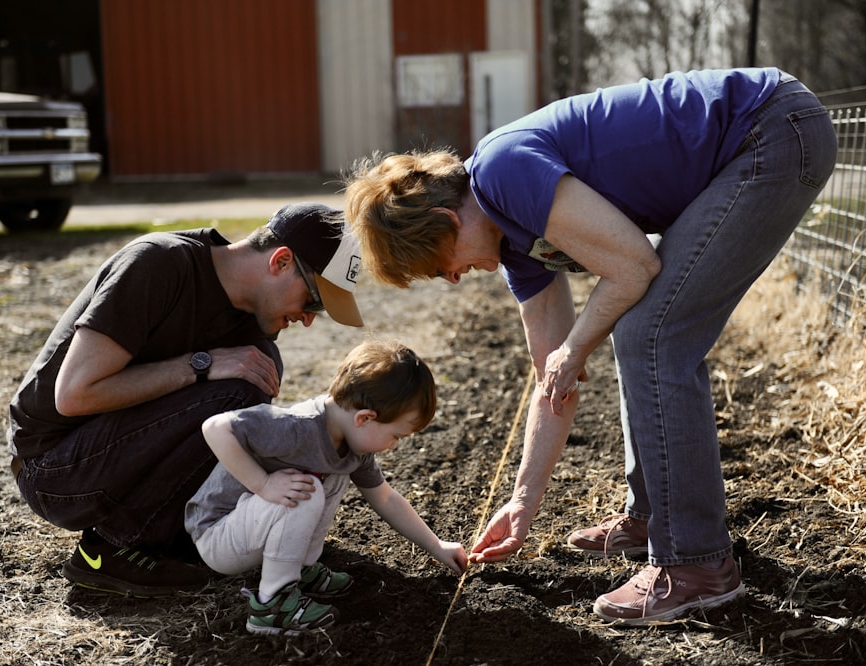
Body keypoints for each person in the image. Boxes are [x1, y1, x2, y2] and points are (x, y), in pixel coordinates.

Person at [343, 68, 837, 625]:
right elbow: (552, 381)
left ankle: (697, 563)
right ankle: (653, 517)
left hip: (770, 130)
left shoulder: (503, 172)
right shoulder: (517, 247)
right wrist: (523, 502)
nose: (454, 279)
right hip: (762, 133)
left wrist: (575, 347)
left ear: (444, 219)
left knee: (651, 334)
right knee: (640, 329)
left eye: (440, 266)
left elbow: (633, 265)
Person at [7, 202, 365, 598]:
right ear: (280, 262)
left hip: (109, 456)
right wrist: (201, 363)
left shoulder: (251, 329)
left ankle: (178, 535)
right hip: (55, 470)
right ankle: (110, 547)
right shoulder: (158, 264)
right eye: (313, 301)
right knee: (238, 388)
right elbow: (73, 394)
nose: (309, 318)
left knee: (255, 374)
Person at [184, 339, 467, 635]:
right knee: (307, 489)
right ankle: (271, 605)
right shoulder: (296, 426)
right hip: (218, 535)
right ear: (365, 418)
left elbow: (384, 498)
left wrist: (436, 546)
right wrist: (264, 483)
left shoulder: (353, 446)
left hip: (252, 528)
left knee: (333, 474)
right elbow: (215, 428)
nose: (394, 446)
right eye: (396, 436)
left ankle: (300, 569)